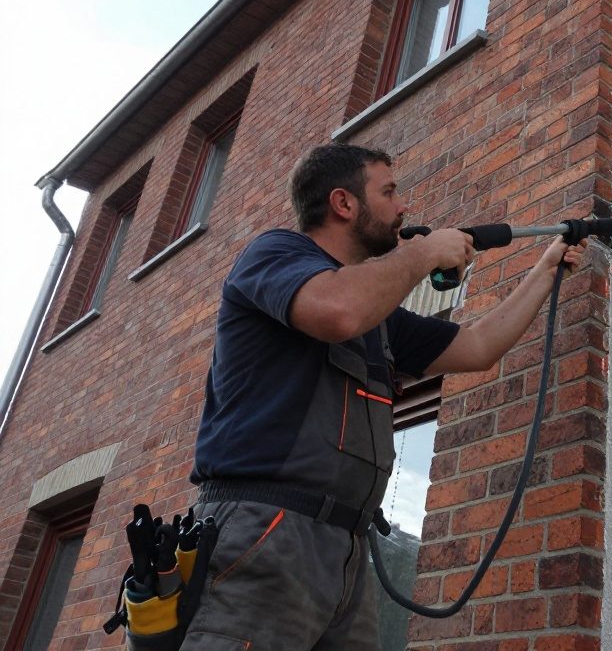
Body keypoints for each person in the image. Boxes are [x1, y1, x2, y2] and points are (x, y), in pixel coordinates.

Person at [181, 143, 586, 650]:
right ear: (343, 204)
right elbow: (338, 311)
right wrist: (423, 252)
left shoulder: (382, 318)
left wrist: (547, 271)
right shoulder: (275, 254)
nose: (403, 208)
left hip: (347, 546)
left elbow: (478, 346)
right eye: (389, 192)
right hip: (268, 526)